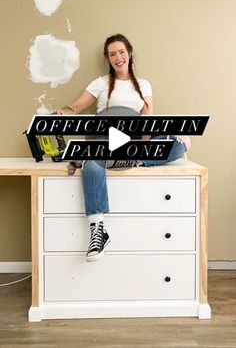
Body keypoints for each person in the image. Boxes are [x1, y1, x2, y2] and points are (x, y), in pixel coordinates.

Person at [57, 33, 191, 262]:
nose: (117, 57)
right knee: (93, 161)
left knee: (180, 144)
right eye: (112, 54)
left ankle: (134, 158)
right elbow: (76, 108)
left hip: (131, 142)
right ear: (108, 59)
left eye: (121, 52)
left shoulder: (144, 84)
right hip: (104, 139)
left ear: (129, 54)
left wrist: (155, 141)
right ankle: (98, 230)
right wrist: (57, 114)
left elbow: (148, 120)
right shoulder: (100, 83)